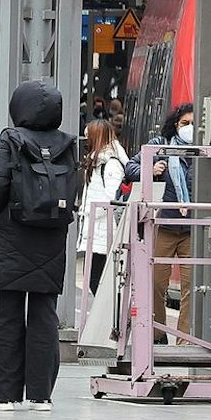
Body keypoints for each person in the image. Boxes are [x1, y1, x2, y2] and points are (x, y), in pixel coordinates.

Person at [0, 79, 81, 412]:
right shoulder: (69, 143)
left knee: (8, 315)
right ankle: (41, 396)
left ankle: (3, 396)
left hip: (10, 233)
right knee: (44, 316)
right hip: (52, 235)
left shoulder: (11, 138)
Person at [133, 103, 198, 340]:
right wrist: (149, 170)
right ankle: (158, 334)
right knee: (156, 284)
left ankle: (184, 341)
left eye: (193, 124)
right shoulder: (160, 146)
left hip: (193, 229)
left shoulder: (203, 151)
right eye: (184, 123)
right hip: (163, 226)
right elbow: (130, 168)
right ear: (175, 125)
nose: (189, 129)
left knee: (192, 287)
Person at [79, 119, 128, 293]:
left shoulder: (110, 164)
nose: (86, 142)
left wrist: (91, 212)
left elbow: (112, 198)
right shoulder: (99, 162)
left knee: (97, 281)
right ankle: (106, 318)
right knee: (96, 281)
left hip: (104, 230)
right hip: (98, 230)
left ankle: (108, 319)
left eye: (88, 137)